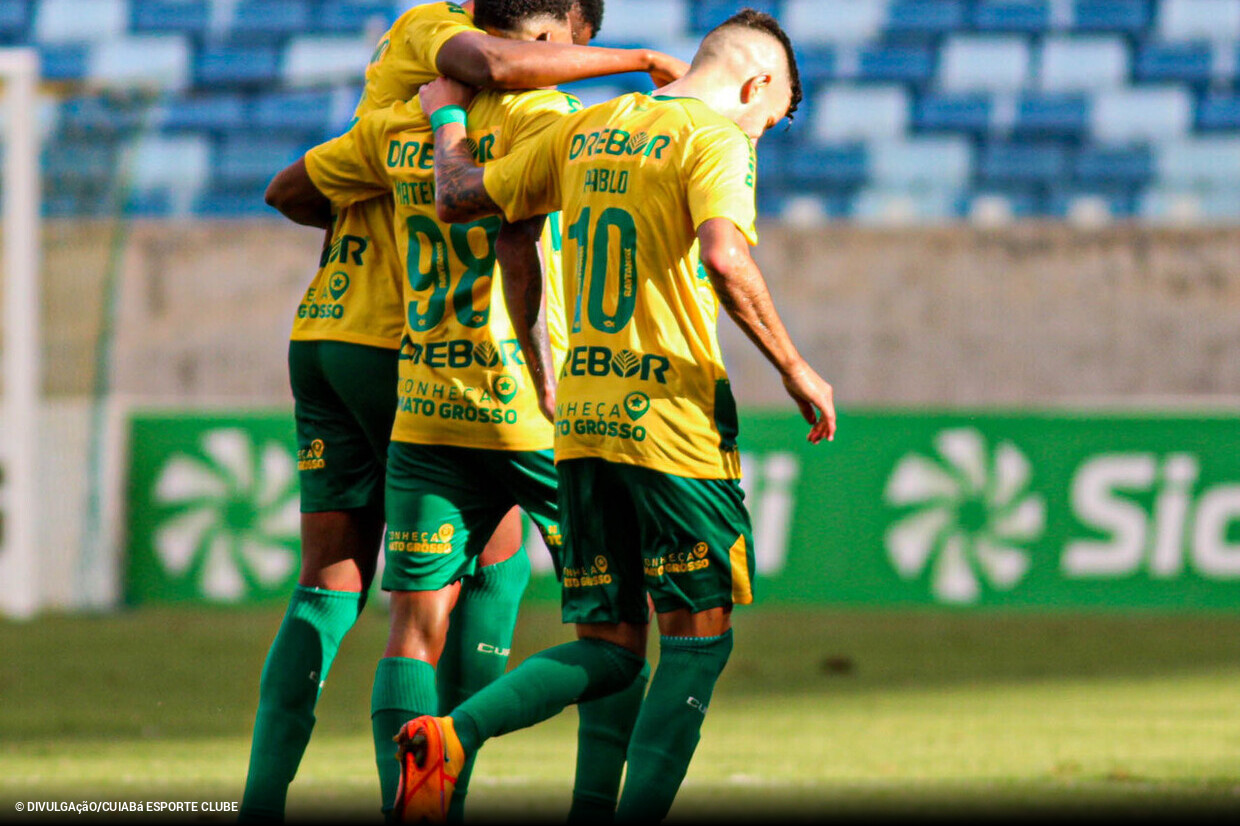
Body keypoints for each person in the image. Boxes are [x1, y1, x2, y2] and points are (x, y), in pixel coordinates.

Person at [244, 1, 686, 821]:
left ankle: (380, 801)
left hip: (397, 378)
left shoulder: (395, 124)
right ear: (558, 36)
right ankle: (506, 772)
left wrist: (372, 208)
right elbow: (524, 233)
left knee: (373, 605)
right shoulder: (537, 109)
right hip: (507, 392)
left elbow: (290, 188)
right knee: (603, 625)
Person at [398, 8, 836, 823]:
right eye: (766, 123)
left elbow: (469, 203)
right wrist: (796, 366)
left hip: (583, 423)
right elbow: (723, 253)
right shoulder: (717, 141)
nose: (758, 137)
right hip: (673, 426)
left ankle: (451, 737)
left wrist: (448, 117)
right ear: (757, 86)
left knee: (611, 652)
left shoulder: (590, 128)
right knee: (699, 643)